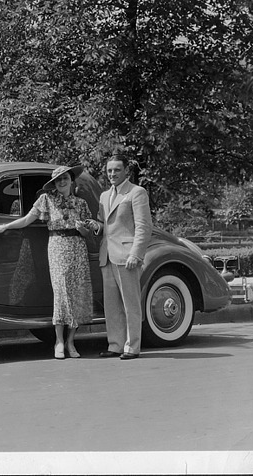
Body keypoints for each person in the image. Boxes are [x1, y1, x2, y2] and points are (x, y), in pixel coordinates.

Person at [0, 166, 93, 359]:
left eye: (65, 178)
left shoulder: (81, 203)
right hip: (58, 247)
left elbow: (88, 232)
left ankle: (71, 341)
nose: (62, 182)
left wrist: (82, 228)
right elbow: (27, 219)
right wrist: (5, 226)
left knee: (77, 293)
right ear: (54, 183)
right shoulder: (46, 199)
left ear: (71, 180)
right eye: (58, 180)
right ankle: (59, 341)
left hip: (78, 248)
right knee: (61, 293)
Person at [85, 154, 152, 360]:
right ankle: (115, 344)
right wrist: (96, 226)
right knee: (112, 305)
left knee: (130, 304)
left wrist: (136, 253)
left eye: (116, 170)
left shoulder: (136, 193)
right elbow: (105, 225)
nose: (112, 174)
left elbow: (143, 227)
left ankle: (132, 347)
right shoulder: (105, 196)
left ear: (126, 172)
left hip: (127, 257)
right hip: (107, 256)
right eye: (109, 171)